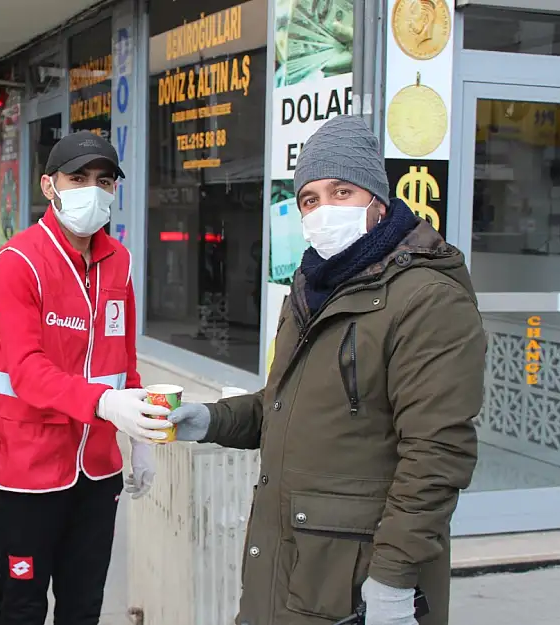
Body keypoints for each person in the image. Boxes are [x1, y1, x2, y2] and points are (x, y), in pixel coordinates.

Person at [168, 115, 485, 625]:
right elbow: (283, 404)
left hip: (356, 584)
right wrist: (209, 420)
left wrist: (394, 580)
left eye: (341, 190)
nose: (323, 210)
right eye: (310, 199)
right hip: (291, 566)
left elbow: (437, 454)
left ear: (377, 201)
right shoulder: (311, 289)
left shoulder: (427, 299)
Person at [0, 131, 171, 625]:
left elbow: (122, 358)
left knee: (83, 607)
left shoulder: (119, 261)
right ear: (49, 185)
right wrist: (107, 404)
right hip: (26, 469)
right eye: (77, 178)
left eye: (103, 181)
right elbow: (26, 371)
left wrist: (141, 433)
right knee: (22, 608)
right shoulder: (18, 263)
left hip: (97, 466)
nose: (92, 189)